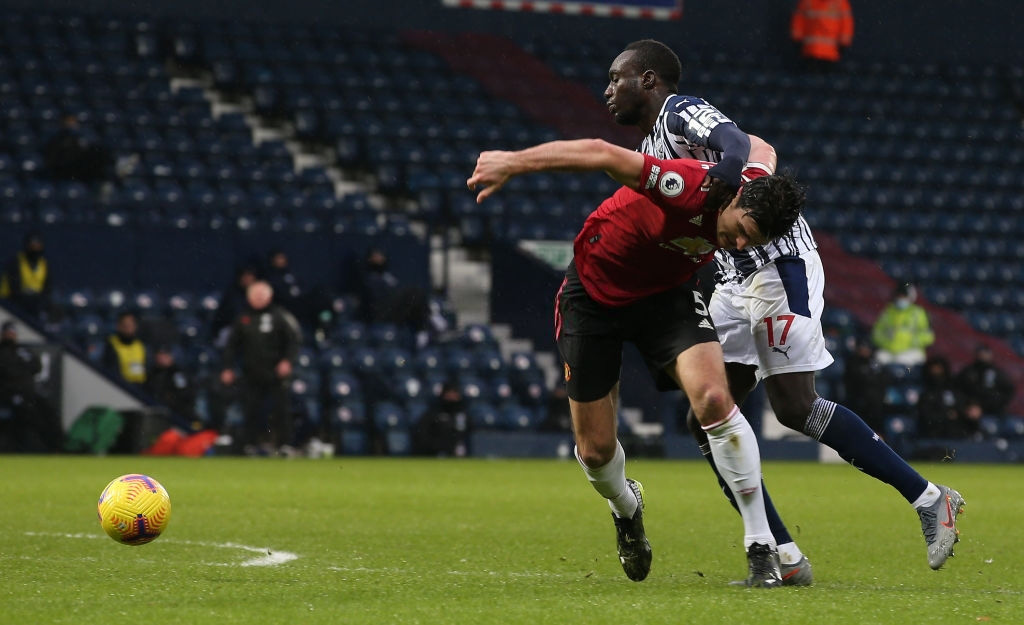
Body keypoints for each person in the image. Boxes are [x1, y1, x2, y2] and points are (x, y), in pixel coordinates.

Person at [603, 38, 964, 579]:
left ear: (649, 80)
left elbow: (736, 142)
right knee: (707, 418)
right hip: (731, 277)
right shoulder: (653, 149)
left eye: (618, 78)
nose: (609, 89)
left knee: (794, 406)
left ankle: (930, 497)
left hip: (776, 265)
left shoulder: (678, 112)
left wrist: (726, 179)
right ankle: (783, 556)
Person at [468, 132, 805, 587]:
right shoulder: (686, 185)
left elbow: (762, 147)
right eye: (742, 231)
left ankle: (760, 546)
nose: (740, 246)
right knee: (595, 451)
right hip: (593, 295)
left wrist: (742, 153)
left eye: (752, 242)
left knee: (712, 396)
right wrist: (512, 161)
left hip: (666, 298)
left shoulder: (755, 190)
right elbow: (603, 153)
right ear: (736, 197)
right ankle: (627, 509)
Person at [219, 281, 301, 456]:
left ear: (269, 296)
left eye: (261, 295)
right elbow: (231, 346)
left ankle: (285, 445)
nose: (258, 299)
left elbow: (294, 340)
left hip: (276, 373)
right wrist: (228, 367)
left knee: (281, 410)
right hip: (251, 373)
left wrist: (287, 361)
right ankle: (249, 445)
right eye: (254, 295)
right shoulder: (243, 318)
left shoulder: (280, 315)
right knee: (251, 411)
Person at [0, 321, 62, 452]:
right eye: (8, 332)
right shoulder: (3, 352)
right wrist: (21, 369)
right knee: (28, 413)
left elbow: (37, 366)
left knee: (48, 411)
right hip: (9, 394)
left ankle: (57, 446)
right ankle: (26, 448)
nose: (10, 335)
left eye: (12, 332)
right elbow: (8, 371)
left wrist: (20, 369)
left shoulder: (22, 350)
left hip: (28, 393)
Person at [871, 283, 935, 367]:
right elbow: (876, 333)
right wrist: (886, 342)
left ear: (910, 297)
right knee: (877, 359)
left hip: (910, 351)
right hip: (889, 351)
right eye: (899, 296)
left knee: (916, 358)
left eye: (904, 296)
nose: (901, 299)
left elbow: (929, 336)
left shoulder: (919, 313)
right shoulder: (887, 312)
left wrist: (912, 341)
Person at [917, 356, 977, 439]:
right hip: (936, 436)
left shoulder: (956, 391)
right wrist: (946, 415)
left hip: (960, 435)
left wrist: (968, 412)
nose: (937, 372)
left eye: (939, 369)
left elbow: (965, 408)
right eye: (934, 369)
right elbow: (926, 416)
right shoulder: (927, 394)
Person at [954, 344, 1015, 421]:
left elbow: (1008, 390)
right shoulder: (969, 371)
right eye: (981, 353)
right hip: (970, 411)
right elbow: (959, 389)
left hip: (993, 412)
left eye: (986, 353)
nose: (983, 356)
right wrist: (969, 405)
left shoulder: (997, 373)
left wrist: (995, 404)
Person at [0, 232, 53, 320]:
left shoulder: (44, 264)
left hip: (35, 304)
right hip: (9, 305)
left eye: (37, 246)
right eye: (32, 246)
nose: (35, 249)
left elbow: (48, 288)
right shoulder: (15, 263)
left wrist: (41, 301)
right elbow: (14, 289)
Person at [144, 344, 199, 428]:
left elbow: (184, 394)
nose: (162, 357)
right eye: (160, 354)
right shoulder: (152, 372)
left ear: (171, 357)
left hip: (175, 414)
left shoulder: (176, 373)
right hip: (154, 409)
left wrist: (170, 399)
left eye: (165, 355)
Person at [790, 0, 854, 70]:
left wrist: (797, 40)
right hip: (826, 52)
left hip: (812, 51)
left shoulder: (806, 2)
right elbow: (846, 24)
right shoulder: (840, 2)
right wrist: (844, 43)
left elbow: (798, 23)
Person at [412, 381, 469, 457]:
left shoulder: (463, 415)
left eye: (455, 393)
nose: (452, 397)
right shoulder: (433, 414)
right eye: (449, 393)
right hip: (436, 455)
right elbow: (423, 436)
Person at [101, 311, 147, 386]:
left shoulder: (141, 345)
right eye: (125, 325)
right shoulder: (111, 344)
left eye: (131, 325)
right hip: (121, 387)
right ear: (118, 326)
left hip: (141, 387)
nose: (128, 328)